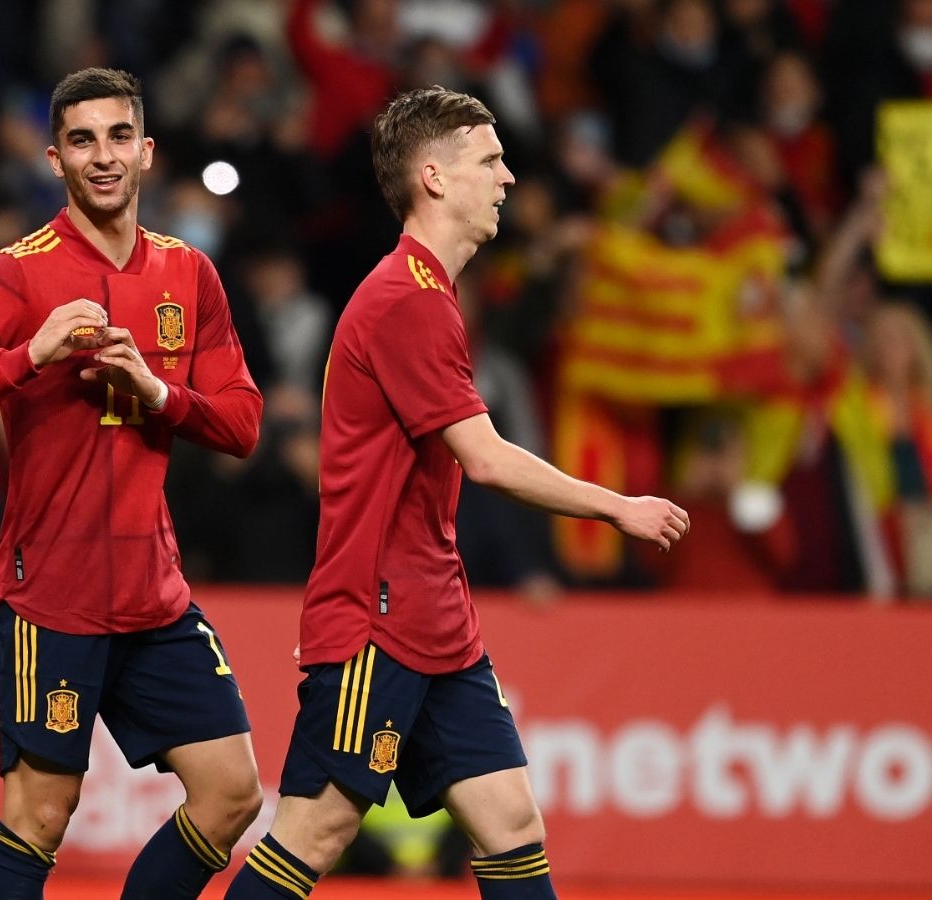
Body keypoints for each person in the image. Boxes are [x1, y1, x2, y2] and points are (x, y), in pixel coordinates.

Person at [222, 87, 690, 900]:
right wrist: (617, 506)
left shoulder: (427, 294)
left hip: (437, 616)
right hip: (377, 618)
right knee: (318, 828)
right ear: (434, 177)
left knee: (510, 822)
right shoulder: (407, 301)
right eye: (491, 160)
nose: (509, 178)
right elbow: (488, 460)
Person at [0, 68, 265, 900]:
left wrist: (160, 395)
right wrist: (27, 356)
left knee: (233, 795)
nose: (104, 157)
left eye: (119, 137)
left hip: (153, 596)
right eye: (83, 141)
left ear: (147, 152)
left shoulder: (188, 273)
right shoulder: (16, 274)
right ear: (54, 160)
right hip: (50, 596)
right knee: (40, 812)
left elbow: (242, 423)